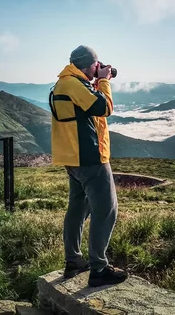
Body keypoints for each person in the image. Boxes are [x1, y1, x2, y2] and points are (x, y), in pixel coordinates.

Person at [49, 45, 128, 287]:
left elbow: (83, 108)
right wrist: (104, 81)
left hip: (72, 158)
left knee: (77, 209)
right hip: (89, 158)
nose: (100, 68)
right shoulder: (74, 84)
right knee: (106, 211)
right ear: (90, 65)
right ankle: (99, 268)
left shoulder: (64, 83)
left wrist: (94, 82)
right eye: (97, 65)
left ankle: (74, 261)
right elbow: (104, 108)